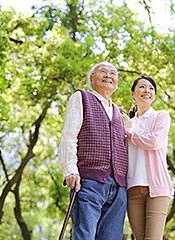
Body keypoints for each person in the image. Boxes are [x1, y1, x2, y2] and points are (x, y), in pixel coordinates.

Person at [58, 61, 128, 240]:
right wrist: (70, 169)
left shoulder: (120, 112)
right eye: (102, 72)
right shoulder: (81, 98)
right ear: (91, 78)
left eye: (112, 73)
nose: (108, 76)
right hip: (89, 182)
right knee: (85, 237)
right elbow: (69, 135)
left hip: (118, 187)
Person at [121, 75, 172, 240]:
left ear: (154, 96)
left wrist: (129, 131)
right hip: (132, 190)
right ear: (132, 93)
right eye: (142, 87)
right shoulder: (128, 123)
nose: (147, 91)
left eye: (151, 88)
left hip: (157, 189)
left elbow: (154, 141)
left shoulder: (161, 117)